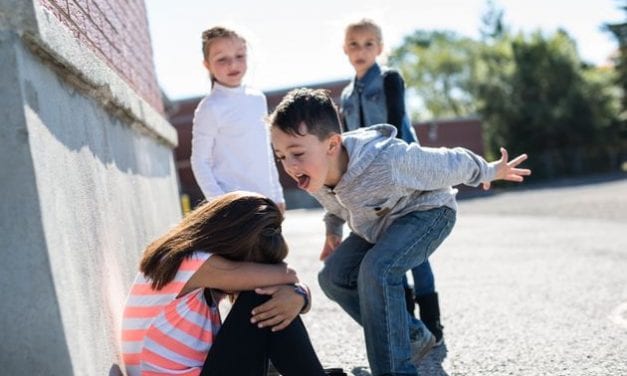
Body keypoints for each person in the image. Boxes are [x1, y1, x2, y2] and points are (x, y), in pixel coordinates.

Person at [268, 88, 531, 376]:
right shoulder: (315, 173)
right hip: (378, 225)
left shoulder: (386, 160)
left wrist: (490, 170)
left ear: (332, 145)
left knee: (377, 269)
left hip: (428, 213)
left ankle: (396, 370)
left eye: (296, 153)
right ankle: (411, 337)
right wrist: (333, 232)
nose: (289, 166)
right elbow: (335, 206)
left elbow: (448, 162)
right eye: (280, 156)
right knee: (332, 277)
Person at [121, 191, 342, 376]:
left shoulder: (190, 267)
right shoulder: (191, 262)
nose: (255, 274)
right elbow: (288, 275)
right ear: (233, 244)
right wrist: (298, 293)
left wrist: (299, 296)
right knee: (261, 296)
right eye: (254, 266)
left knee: (268, 301)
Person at [338, 18, 447, 345]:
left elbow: (397, 125)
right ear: (345, 50)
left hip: (402, 174)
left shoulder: (389, 79)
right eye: (354, 44)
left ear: (380, 48)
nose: (361, 50)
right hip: (367, 185)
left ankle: (432, 324)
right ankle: (410, 328)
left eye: (369, 43)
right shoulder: (345, 95)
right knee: (387, 252)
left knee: (416, 253)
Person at [190, 26, 285, 212]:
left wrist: (277, 194)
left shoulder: (258, 99)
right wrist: (220, 203)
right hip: (234, 207)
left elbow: (265, 151)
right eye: (222, 59)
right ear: (207, 65)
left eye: (239, 56)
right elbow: (200, 161)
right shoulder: (210, 108)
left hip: (266, 202)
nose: (233, 64)